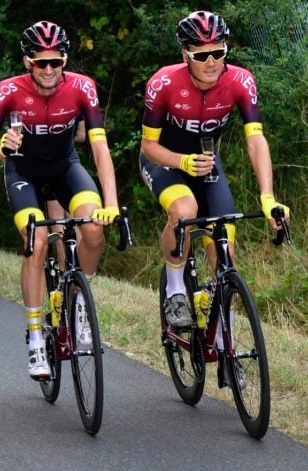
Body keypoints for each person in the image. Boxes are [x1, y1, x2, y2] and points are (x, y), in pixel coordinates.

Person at [140, 11, 289, 386]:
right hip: (166, 162)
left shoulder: (240, 81)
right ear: (185, 53)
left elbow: (256, 139)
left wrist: (268, 196)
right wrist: (182, 161)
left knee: (225, 253)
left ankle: (226, 344)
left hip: (208, 165)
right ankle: (176, 289)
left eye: (218, 52)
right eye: (202, 54)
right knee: (185, 210)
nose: (212, 62)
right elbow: (148, 146)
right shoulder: (163, 84)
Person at [0, 21, 120, 379]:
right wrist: (1, 149)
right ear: (28, 62)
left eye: (56, 61)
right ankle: (37, 336)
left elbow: (99, 149)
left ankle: (80, 301)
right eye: (42, 63)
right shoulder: (7, 91)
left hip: (66, 167)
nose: (50, 69)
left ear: (64, 59)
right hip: (22, 172)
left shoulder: (82, 87)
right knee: (36, 243)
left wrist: (111, 203)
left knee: (94, 229)